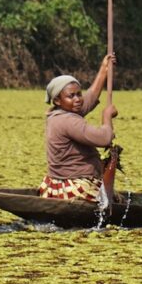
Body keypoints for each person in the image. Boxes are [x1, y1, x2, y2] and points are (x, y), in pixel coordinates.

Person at [40, 54, 117, 202]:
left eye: (79, 94)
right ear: (57, 100)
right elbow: (105, 138)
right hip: (77, 187)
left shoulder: (59, 113)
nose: (78, 99)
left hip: (58, 184)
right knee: (114, 201)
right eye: (71, 96)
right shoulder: (68, 121)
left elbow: (91, 97)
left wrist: (104, 69)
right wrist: (106, 116)